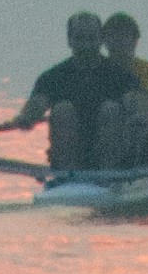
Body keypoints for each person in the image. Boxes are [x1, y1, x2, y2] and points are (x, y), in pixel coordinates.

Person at [16, 12, 132, 176]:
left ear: (101, 40)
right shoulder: (53, 77)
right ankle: (68, 175)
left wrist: (142, 114)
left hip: (112, 159)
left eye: (91, 39)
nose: (86, 46)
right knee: (63, 109)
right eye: (79, 39)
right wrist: (27, 117)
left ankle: (108, 174)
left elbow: (135, 101)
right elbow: (38, 103)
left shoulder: (120, 75)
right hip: (68, 160)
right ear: (69, 41)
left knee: (111, 109)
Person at [94, 14, 148, 170]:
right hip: (102, 140)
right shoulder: (96, 70)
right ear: (104, 41)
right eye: (114, 36)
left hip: (140, 139)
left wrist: (140, 108)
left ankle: (132, 166)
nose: (120, 42)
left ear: (135, 39)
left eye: (125, 36)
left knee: (134, 110)